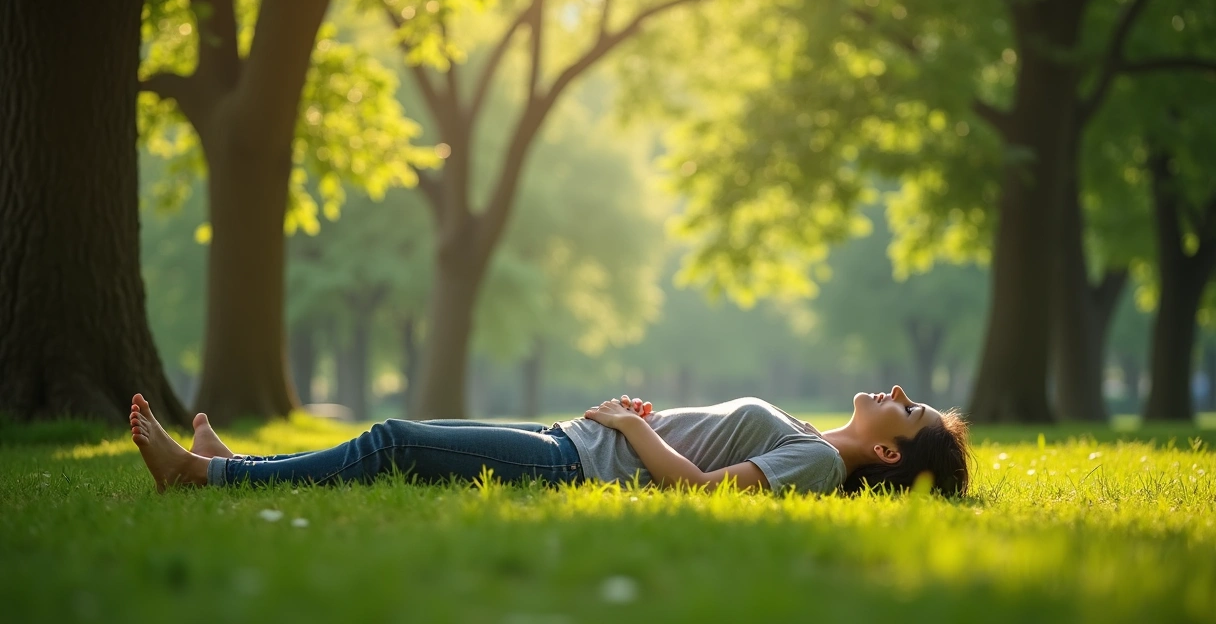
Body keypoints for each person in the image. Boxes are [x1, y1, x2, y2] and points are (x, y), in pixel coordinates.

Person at [128, 385, 971, 497]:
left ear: (890, 453)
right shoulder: (811, 436)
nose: (898, 395)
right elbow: (702, 448)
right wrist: (643, 419)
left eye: (910, 411)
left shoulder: (819, 460)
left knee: (392, 439)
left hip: (578, 461)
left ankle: (203, 478)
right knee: (394, 437)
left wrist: (632, 428)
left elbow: (702, 491)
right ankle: (236, 464)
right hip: (572, 436)